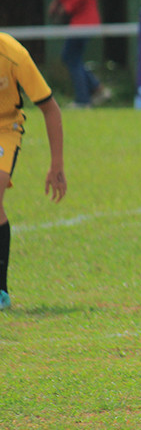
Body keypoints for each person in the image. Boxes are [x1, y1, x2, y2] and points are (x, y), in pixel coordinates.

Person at [0, 33, 68, 310]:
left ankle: (1, 291)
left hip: (5, 129)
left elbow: (50, 109)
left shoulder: (13, 54)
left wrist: (56, 165)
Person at [47, 0, 111, 109]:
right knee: (72, 57)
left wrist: (66, 7)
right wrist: (58, 3)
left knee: (70, 57)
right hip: (80, 21)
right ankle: (97, 89)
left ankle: (83, 100)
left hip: (84, 21)